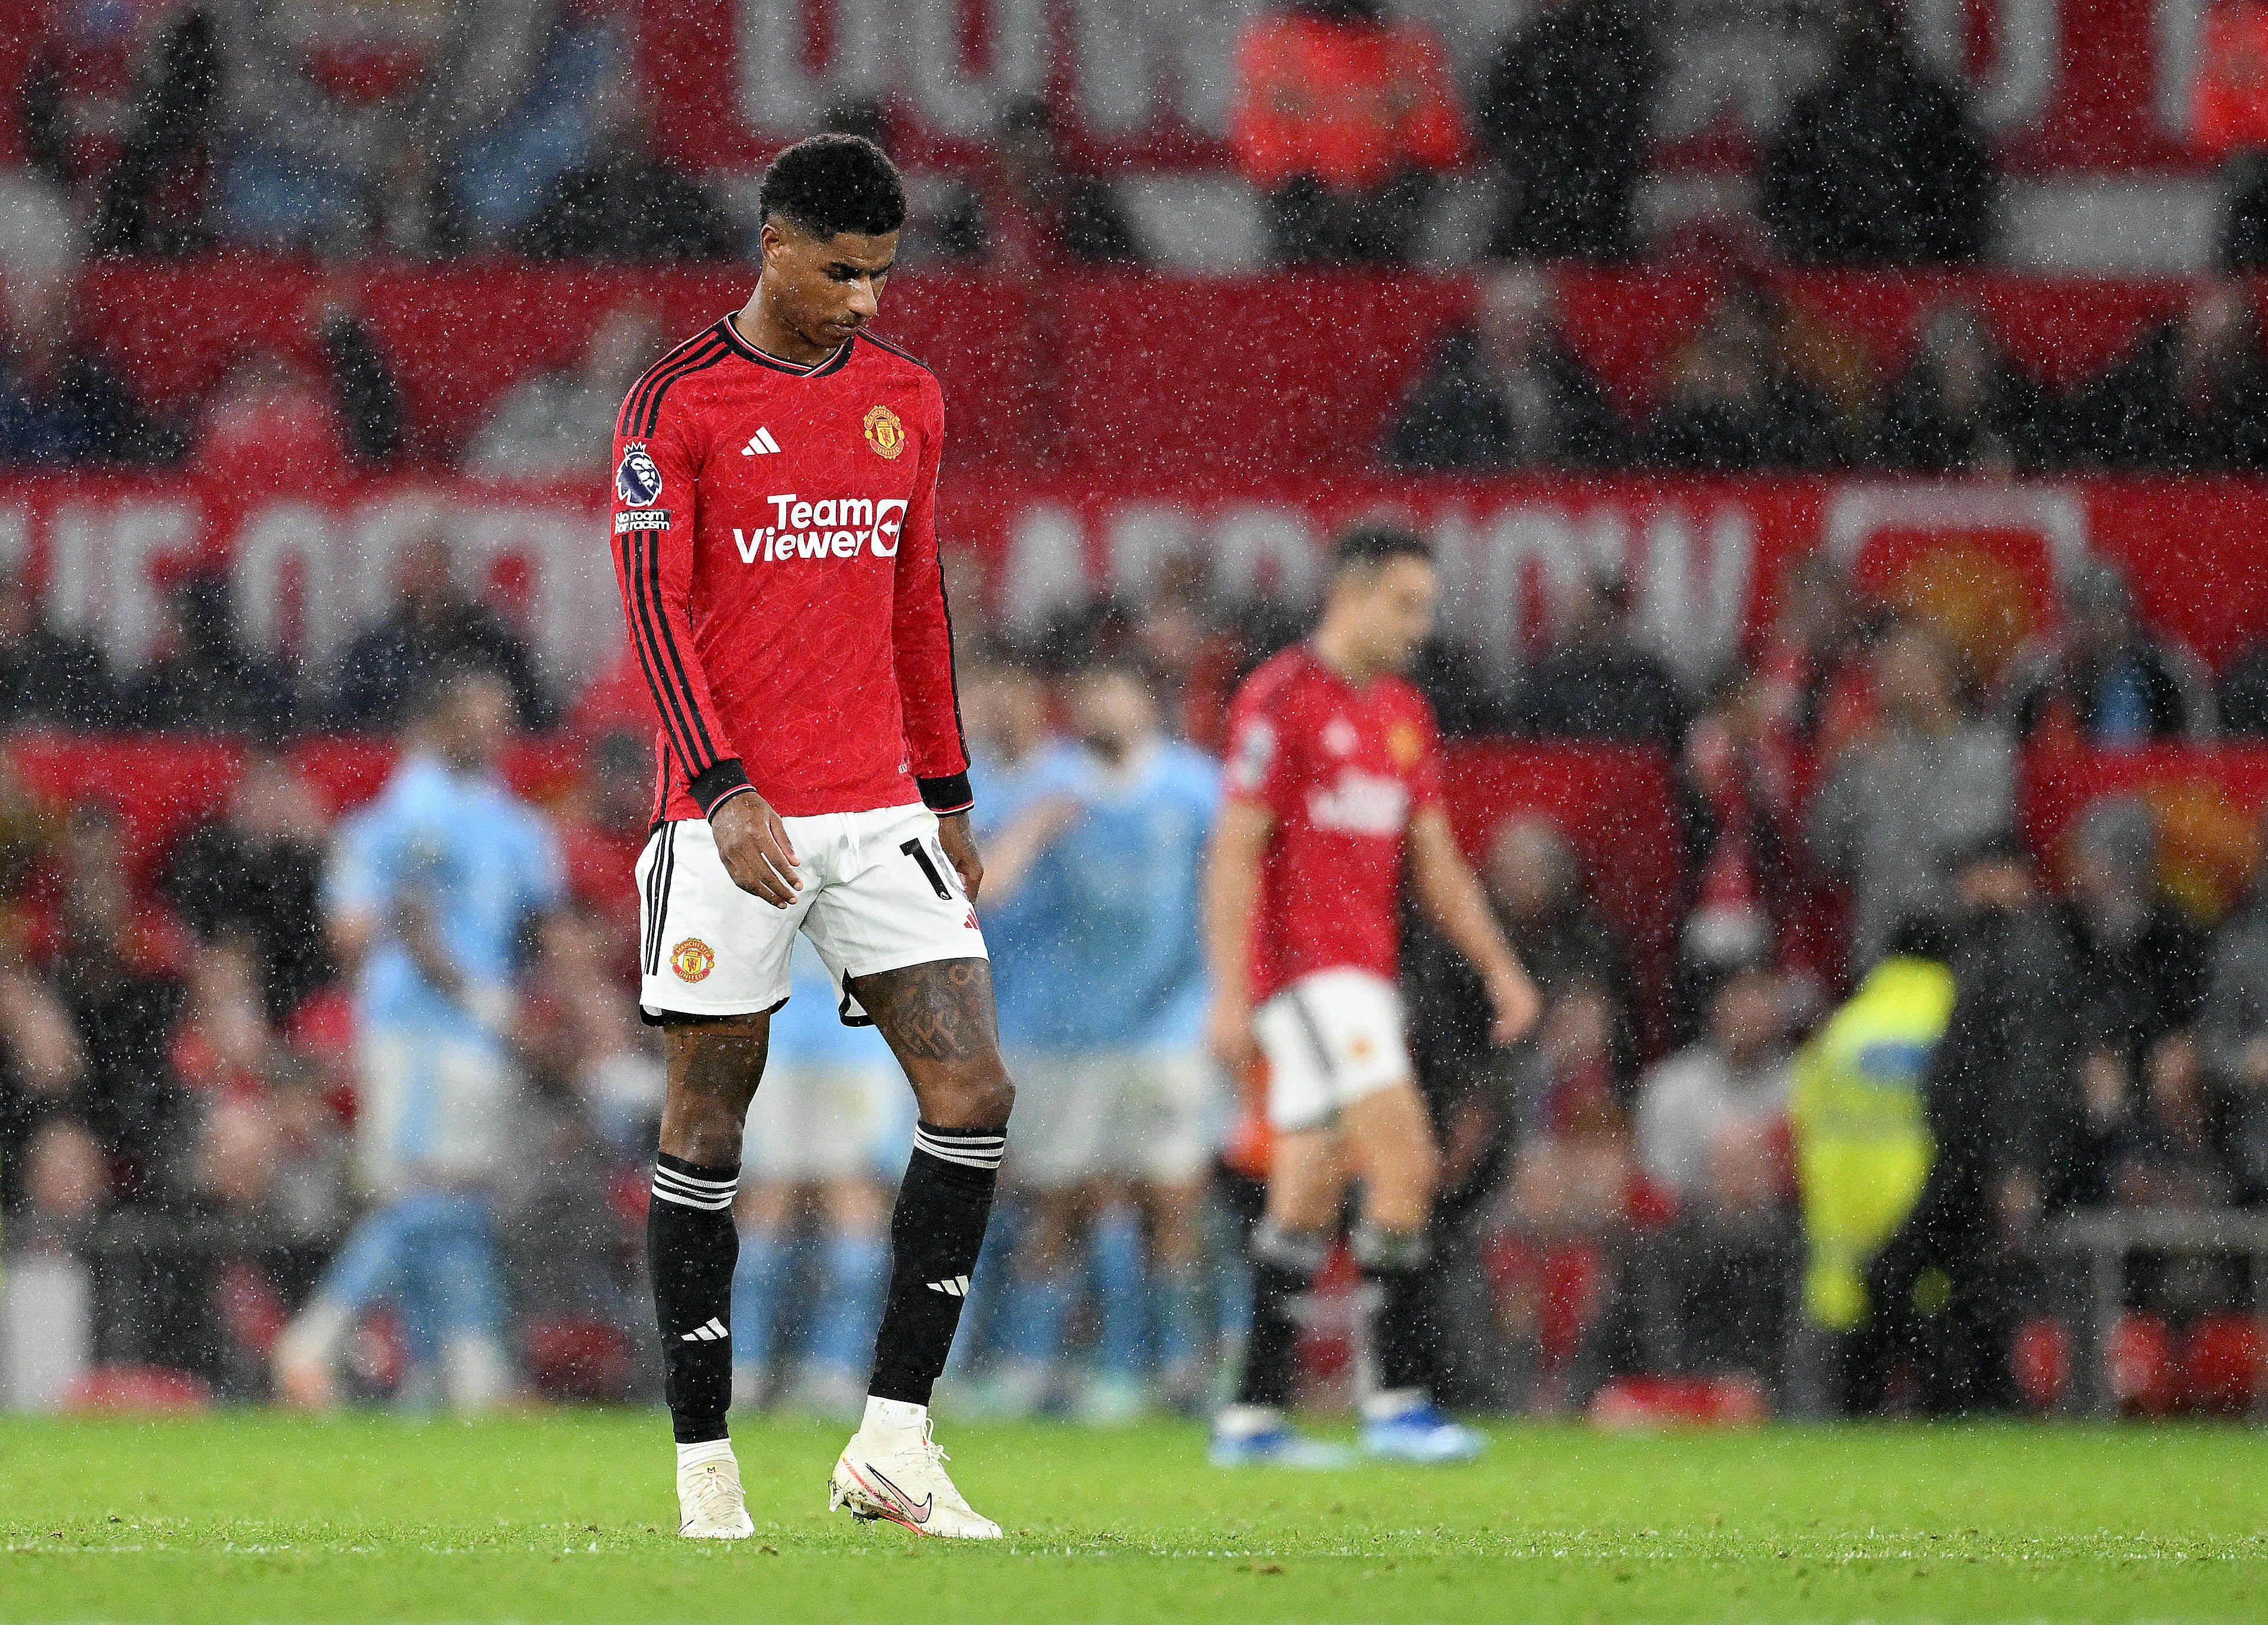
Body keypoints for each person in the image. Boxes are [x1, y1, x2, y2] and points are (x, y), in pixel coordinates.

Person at [612, 134, 1012, 1542]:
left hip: (879, 811)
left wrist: (950, 796)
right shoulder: (676, 401)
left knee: (971, 1095)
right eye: (840, 271)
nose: (862, 300)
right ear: (773, 243)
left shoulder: (908, 400)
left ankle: (892, 1441)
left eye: (882, 275)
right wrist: (721, 790)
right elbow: (654, 617)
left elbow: (916, 601)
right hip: (727, 819)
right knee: (707, 1123)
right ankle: (705, 1463)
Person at [1205, 525, 1542, 1466]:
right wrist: (1229, 995)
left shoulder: (1402, 713)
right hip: (1305, 977)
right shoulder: (1280, 698)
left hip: (1366, 980)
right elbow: (1234, 851)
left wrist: (1500, 966)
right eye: (1405, 603)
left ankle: (1251, 1417)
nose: (1419, 625)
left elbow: (1434, 861)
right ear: (1350, 595)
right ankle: (1396, 1402)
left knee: (1307, 1188)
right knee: (1406, 1161)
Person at [271, 666, 562, 1413]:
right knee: (427, 1193)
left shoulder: (511, 821)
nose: (496, 728)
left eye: (503, 714)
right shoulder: (411, 816)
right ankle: (315, 1340)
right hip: (420, 1028)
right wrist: (488, 1002)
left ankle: (465, 1370)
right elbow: (379, 925)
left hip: (475, 1030)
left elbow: (538, 927)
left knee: (458, 1197)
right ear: (439, 724)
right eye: (479, 713)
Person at [980, 663, 1222, 1423]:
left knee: (1171, 1194)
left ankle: (1179, 1364)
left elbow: (1233, 884)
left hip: (1168, 1025)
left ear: (1148, 703)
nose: (1100, 697)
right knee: (1060, 1200)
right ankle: (1041, 1364)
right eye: (1088, 689)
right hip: (1068, 1032)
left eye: (1114, 687)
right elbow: (989, 887)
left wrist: (1226, 994)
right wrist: (1039, 823)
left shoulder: (1194, 787)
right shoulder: (1054, 787)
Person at [726, 935, 906, 1420]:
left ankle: (832, 1368)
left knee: (854, 1205)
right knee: (767, 1204)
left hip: (856, 1038)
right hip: (774, 1033)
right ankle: (742, 1368)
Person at [1785, 916, 1955, 1414]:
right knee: (1943, 1420)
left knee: (1848, 1416)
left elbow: (1804, 1124)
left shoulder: (1843, 1031)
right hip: (1926, 1243)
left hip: (1846, 1250)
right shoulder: (1951, 1020)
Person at [1807, 621, 2015, 964]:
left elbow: (1968, 847)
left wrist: (1902, 780)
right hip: (1880, 950)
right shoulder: (1870, 752)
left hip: (1958, 950)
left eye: (1906, 666)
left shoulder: (1985, 751)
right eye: (1888, 668)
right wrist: (1841, 773)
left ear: (1944, 676)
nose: (1892, 679)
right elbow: (1824, 852)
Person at [1229, 0, 1468, 266]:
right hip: (1305, 212)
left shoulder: (1410, 46)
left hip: (1390, 211)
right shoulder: (1276, 44)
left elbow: (1441, 146)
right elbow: (1262, 153)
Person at [1759, 0, 1992, 266]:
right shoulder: (1817, 111)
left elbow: (1964, 196)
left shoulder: (1930, 106)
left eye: (1864, 23)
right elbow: (1786, 198)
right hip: (1845, 276)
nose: (1860, 34)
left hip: (1906, 275)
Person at [1384, 266, 1624, 472]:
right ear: (1482, 323)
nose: (1512, 334)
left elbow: (1604, 449)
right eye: (1503, 320)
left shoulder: (1571, 386)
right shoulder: (1449, 390)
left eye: (1526, 323)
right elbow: (1419, 455)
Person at [328, 515, 550, 731]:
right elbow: (347, 727)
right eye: (419, 566)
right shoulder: (374, 649)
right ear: (401, 574)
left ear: (456, 572)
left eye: (437, 565)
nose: (429, 578)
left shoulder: (493, 642)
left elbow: (532, 718)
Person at [1477, 0, 1658, 262]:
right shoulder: (1529, 48)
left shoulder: (1620, 43)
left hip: (1596, 207)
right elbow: (1496, 119)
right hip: (1544, 207)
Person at [2001, 564, 2217, 747]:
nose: (2099, 630)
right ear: (2065, 621)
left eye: (2109, 617)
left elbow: (2201, 755)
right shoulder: (2037, 680)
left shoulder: (2166, 676)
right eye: (2086, 619)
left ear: (2130, 618)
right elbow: (2001, 752)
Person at [466, 304, 664, 480]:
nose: (623, 356)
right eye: (615, 340)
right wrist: (570, 466)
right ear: (597, 341)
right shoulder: (547, 394)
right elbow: (487, 457)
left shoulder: (659, 421)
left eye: (637, 347)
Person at [1874, 302, 2059, 476]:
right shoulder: (1908, 411)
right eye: (1947, 350)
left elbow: (2051, 456)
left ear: (1985, 352)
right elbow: (1889, 468)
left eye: (1967, 346)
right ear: (1929, 361)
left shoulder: (2019, 403)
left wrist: (2017, 462)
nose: (1958, 360)